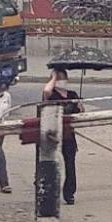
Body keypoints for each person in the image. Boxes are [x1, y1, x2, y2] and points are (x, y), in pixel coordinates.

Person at [39, 67, 83, 205]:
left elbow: (80, 112)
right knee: (52, 164)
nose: (61, 81)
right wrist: (53, 78)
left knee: (70, 164)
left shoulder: (72, 94)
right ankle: (47, 189)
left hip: (69, 135)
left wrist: (80, 106)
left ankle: (69, 193)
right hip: (53, 135)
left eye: (62, 78)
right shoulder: (51, 94)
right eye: (58, 79)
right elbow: (46, 92)